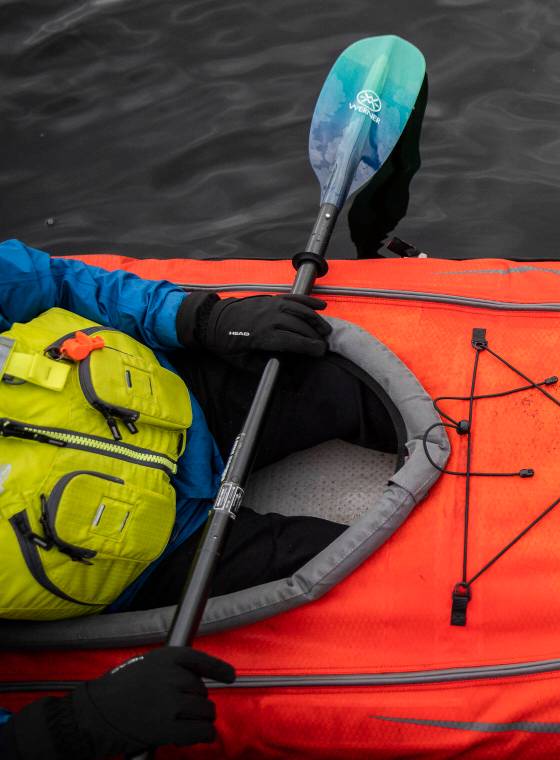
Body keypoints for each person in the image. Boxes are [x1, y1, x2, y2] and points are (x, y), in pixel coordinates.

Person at [0, 238, 398, 758]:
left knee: (352, 387)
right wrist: (80, 726)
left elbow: (56, 283)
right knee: (377, 574)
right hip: (147, 560)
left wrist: (200, 320)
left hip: (173, 401)